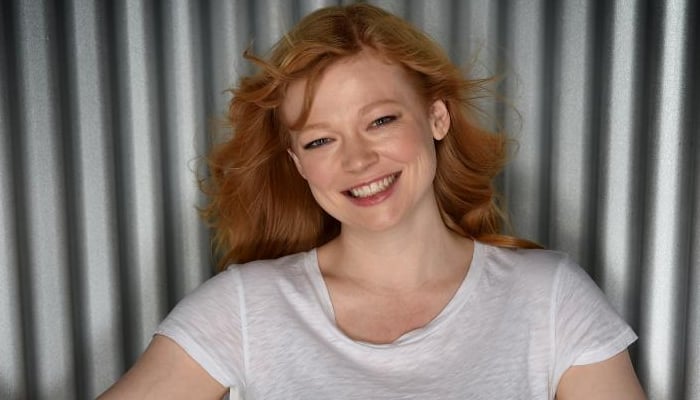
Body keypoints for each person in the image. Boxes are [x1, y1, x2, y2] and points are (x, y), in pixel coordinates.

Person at [99, 3, 646, 399]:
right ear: (297, 163)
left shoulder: (549, 298)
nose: (358, 161)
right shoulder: (245, 308)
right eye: (320, 140)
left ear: (437, 117)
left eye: (380, 120)